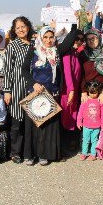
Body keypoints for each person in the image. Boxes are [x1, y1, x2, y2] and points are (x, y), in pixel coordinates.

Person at [22, 21, 79, 166]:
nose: (48, 40)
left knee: (47, 127)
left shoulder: (56, 52)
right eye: (45, 37)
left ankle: (44, 155)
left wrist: (73, 23)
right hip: (35, 93)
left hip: (51, 93)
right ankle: (31, 155)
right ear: (41, 37)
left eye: (51, 37)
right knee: (34, 126)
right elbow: (23, 70)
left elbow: (70, 39)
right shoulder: (33, 51)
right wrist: (33, 83)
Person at [3, 16, 35, 164]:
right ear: (14, 30)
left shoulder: (35, 44)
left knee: (32, 121)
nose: (21, 29)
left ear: (28, 27)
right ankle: (15, 152)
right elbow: (8, 70)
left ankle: (30, 151)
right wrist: (7, 90)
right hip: (17, 87)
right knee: (17, 121)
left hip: (34, 87)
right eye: (18, 28)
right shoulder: (12, 46)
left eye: (23, 26)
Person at [60, 30, 83, 157]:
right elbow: (68, 73)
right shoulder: (67, 54)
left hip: (74, 91)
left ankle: (71, 144)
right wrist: (71, 91)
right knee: (66, 117)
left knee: (73, 117)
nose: (78, 41)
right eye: (76, 39)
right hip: (67, 92)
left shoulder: (76, 53)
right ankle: (65, 147)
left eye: (80, 39)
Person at [77, 81, 103, 161]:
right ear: (88, 91)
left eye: (95, 93)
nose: (93, 95)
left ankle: (93, 154)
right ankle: (84, 153)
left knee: (95, 141)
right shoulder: (85, 100)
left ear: (98, 91)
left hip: (96, 126)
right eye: (91, 93)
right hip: (86, 125)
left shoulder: (100, 101)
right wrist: (79, 121)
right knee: (85, 141)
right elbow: (80, 112)